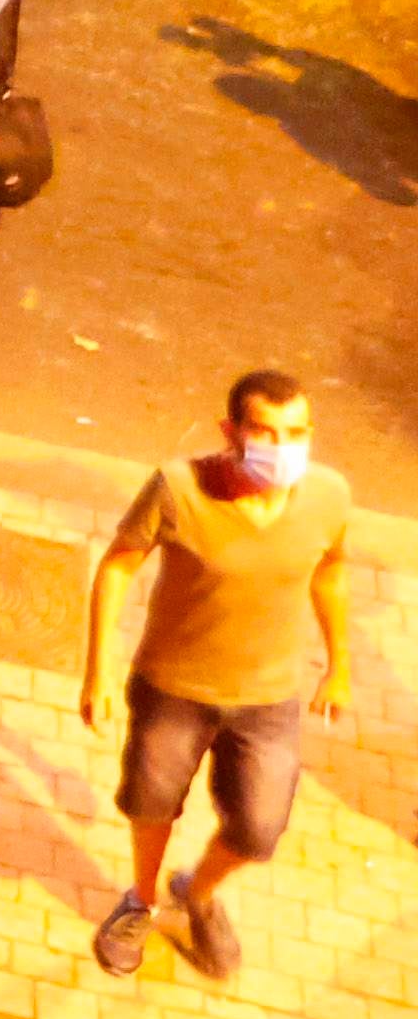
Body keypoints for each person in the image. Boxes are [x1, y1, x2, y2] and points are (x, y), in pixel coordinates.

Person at [79, 370, 355, 986]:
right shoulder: (180, 489)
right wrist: (97, 669)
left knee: (258, 829)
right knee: (151, 803)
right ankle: (142, 901)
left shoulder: (329, 496)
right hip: (173, 688)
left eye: (297, 433)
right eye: (265, 432)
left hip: (268, 697)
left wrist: (340, 666)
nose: (283, 448)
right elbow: (119, 566)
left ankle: (198, 894)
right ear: (230, 432)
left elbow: (331, 575)